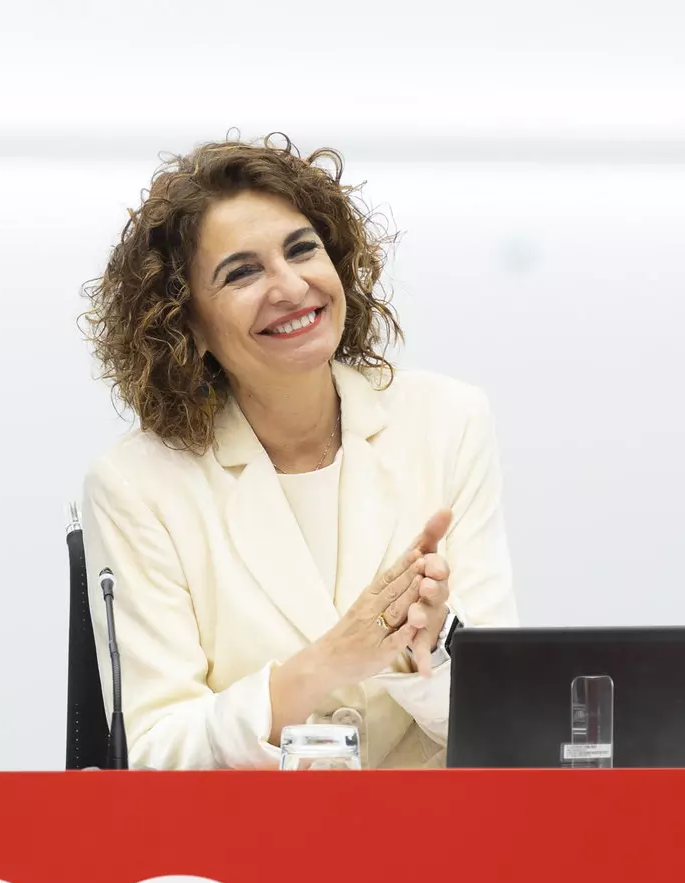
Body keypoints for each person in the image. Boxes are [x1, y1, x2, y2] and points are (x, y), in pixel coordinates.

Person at [79, 136, 515, 769]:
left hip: (432, 842)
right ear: (188, 324)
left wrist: (432, 652)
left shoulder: (448, 422)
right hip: (239, 855)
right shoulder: (135, 484)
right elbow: (154, 755)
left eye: (301, 249)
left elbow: (508, 728)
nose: (290, 286)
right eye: (242, 272)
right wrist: (327, 664)